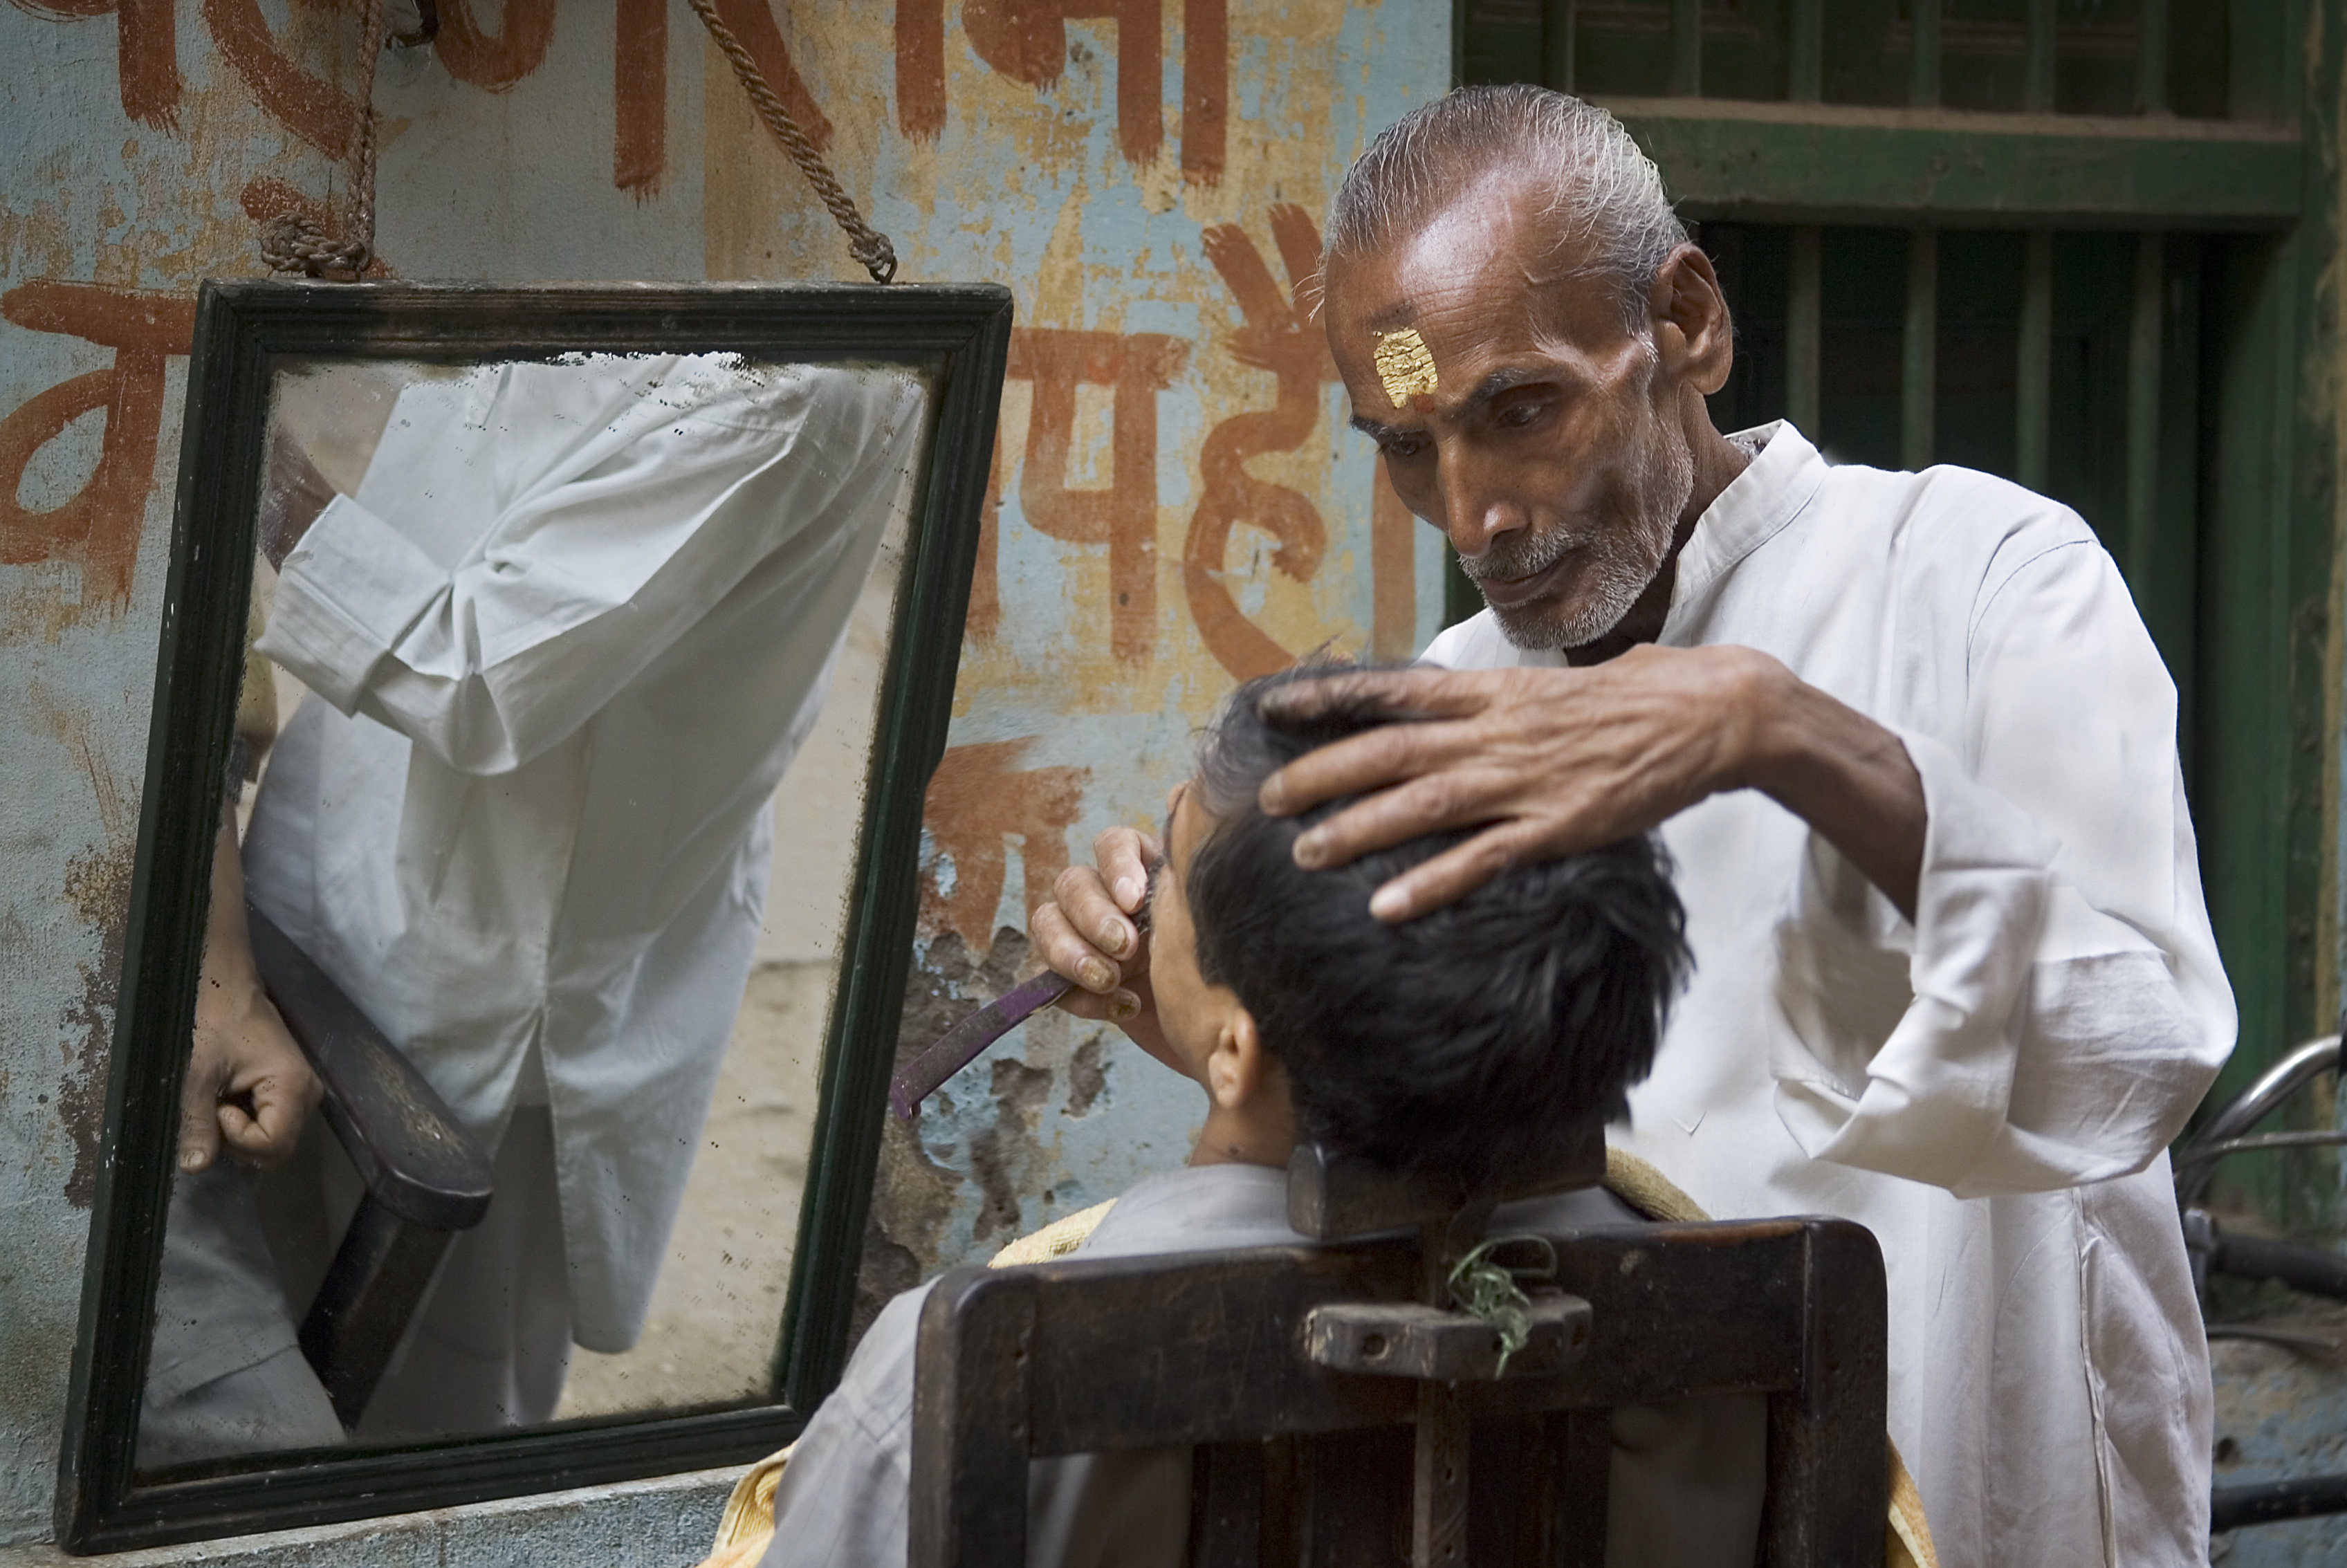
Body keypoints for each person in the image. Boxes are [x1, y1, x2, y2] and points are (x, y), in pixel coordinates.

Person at [1036, 87, 2234, 1567]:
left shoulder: (1988, 579)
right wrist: (1201, 1002)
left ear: (1685, 324)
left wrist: (1775, 731)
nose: (1472, 517)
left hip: (1979, 1484)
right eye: (1405, 446)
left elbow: (2133, 1052)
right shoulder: (1452, 704)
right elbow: (1437, 1160)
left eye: (1518, 412)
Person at [757, 667, 1787, 1568]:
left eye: (1170, 872)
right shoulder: (1727, 1323)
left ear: (1239, 1049)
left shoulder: (972, 1366)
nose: (1142, 875)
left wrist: (1242, 1064)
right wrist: (1235, 1047)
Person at [140, 354, 928, 1460]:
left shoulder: (780, 385)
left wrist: (240, 447)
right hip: (333, 862)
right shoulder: (606, 282)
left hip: (498, 976)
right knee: (259, 1306)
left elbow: (470, 674)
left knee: (424, 1428)